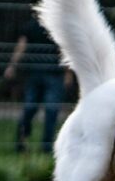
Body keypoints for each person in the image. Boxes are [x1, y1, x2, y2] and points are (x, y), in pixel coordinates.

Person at [5, 16, 71, 153]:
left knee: (35, 108)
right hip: (44, 73)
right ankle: (41, 145)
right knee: (46, 109)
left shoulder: (37, 25)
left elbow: (22, 45)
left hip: (45, 73)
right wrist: (68, 72)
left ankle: (36, 143)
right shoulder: (53, 24)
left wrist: (12, 66)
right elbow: (64, 50)